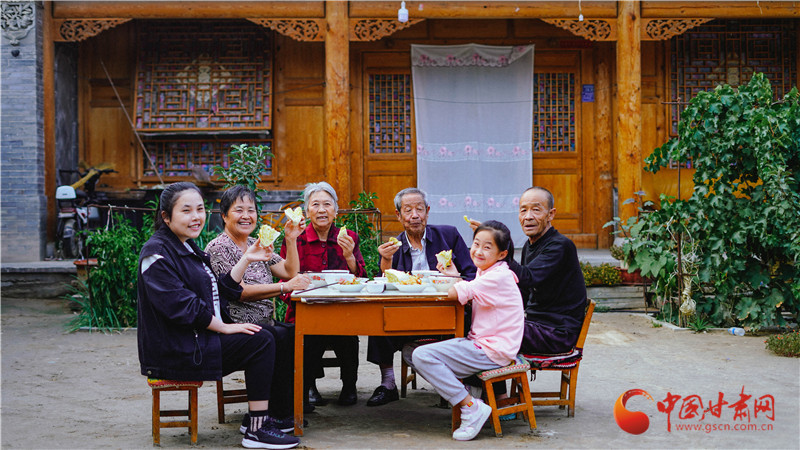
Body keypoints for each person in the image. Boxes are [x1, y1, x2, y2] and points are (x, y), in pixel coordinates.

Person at [137, 182, 299, 449]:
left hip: (196, 339)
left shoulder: (185, 247)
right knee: (261, 340)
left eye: (200, 209)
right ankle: (256, 429)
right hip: (178, 350)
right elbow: (183, 306)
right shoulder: (156, 254)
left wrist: (247, 258)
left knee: (271, 334)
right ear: (166, 217)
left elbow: (222, 288)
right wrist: (224, 327)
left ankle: (266, 418)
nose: (196, 217)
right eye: (186, 211)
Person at [404, 220, 524, 441]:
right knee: (411, 351)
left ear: (502, 254)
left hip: (491, 350)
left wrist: (446, 280)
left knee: (421, 355)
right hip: (482, 344)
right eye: (476, 244)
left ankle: (470, 406)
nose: (478, 251)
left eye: (487, 247)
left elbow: (455, 292)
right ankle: (468, 395)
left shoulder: (498, 277)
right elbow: (466, 288)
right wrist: (454, 275)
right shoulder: (487, 272)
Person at [205, 185, 312, 425]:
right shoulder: (219, 247)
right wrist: (284, 287)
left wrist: (291, 239)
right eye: (239, 210)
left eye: (251, 210)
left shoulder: (257, 243)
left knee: (296, 334)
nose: (246, 216)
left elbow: (289, 271)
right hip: (235, 323)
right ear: (224, 216)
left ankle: (285, 408)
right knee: (279, 337)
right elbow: (239, 292)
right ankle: (271, 414)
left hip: (264, 320)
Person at [366, 187, 478, 407]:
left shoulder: (448, 236)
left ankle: (460, 384)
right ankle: (388, 383)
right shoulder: (393, 247)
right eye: (408, 210)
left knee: (469, 320)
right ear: (399, 215)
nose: (414, 215)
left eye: (419, 209)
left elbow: (471, 275)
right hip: (407, 314)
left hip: (445, 311)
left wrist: (453, 277)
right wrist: (386, 261)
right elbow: (385, 285)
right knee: (378, 319)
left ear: (427, 211)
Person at [278, 181, 366, 406]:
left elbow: (362, 277)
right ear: (307, 211)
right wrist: (295, 295)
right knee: (310, 333)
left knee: (348, 333)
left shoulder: (349, 237)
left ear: (336, 210)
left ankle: (349, 385)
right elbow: (284, 279)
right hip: (305, 309)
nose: (321, 210)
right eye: (315, 204)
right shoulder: (296, 238)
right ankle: (309, 385)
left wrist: (349, 256)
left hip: (342, 309)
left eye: (327, 204)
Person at [508, 186, 587, 354]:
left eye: (536, 210)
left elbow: (528, 277)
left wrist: (500, 248)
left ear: (551, 214)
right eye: (523, 210)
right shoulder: (529, 246)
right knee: (480, 321)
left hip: (556, 333)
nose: (528, 216)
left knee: (492, 330)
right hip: (535, 326)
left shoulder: (560, 245)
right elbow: (522, 292)